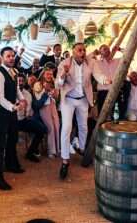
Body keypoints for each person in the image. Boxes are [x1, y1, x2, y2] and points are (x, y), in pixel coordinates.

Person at [56, 43, 94, 180]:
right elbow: (58, 84)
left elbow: (98, 74)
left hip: (83, 99)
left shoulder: (89, 63)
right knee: (66, 128)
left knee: (84, 126)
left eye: (84, 50)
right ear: (73, 52)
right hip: (68, 100)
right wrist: (64, 74)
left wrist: (105, 79)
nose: (82, 52)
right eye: (80, 50)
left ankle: (81, 148)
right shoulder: (65, 63)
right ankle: (65, 160)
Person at [0, 47, 25, 190]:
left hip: (11, 110)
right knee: (0, 144)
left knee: (13, 138)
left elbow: (16, 90)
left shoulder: (14, 72)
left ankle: (11, 164)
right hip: (0, 112)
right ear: (2, 57)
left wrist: (22, 99)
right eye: (8, 56)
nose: (11, 58)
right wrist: (12, 107)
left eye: (12, 55)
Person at [17, 75, 47, 163]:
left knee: (42, 129)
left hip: (24, 119)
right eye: (18, 81)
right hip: (13, 120)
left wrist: (27, 114)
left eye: (22, 81)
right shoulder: (11, 93)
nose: (20, 83)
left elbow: (29, 111)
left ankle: (30, 152)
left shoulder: (28, 94)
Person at [33, 66, 60, 158]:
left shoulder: (53, 83)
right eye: (47, 74)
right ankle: (51, 151)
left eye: (51, 74)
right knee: (50, 127)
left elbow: (56, 97)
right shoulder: (38, 84)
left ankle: (57, 149)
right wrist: (46, 90)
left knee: (57, 126)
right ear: (43, 74)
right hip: (44, 107)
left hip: (53, 105)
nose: (49, 76)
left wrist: (55, 89)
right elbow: (38, 98)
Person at [91, 44, 122, 120]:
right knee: (102, 116)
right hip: (103, 93)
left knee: (116, 116)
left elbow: (130, 58)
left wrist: (120, 50)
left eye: (108, 49)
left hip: (115, 91)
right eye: (104, 49)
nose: (107, 50)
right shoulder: (96, 63)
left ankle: (115, 130)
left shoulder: (117, 61)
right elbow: (96, 72)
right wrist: (93, 54)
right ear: (100, 52)